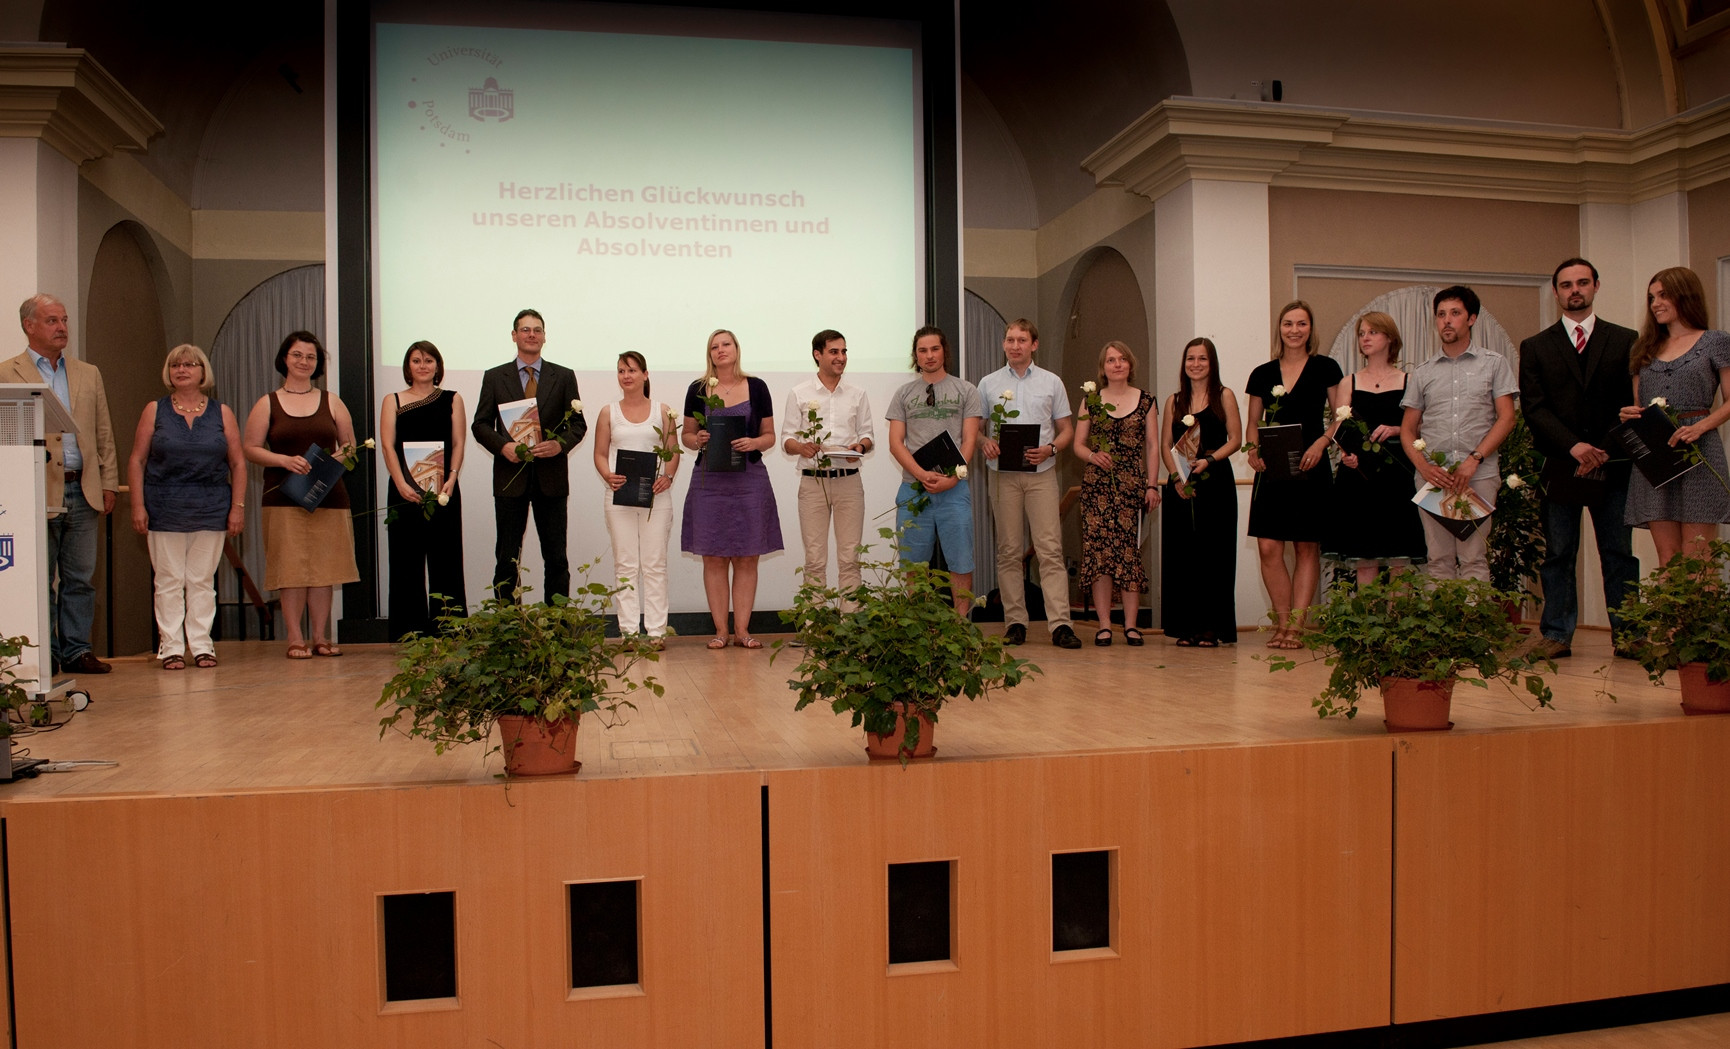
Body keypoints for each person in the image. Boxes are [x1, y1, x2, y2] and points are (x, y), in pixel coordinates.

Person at [1519, 259, 1638, 660]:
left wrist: (1601, 449)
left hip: (1612, 462)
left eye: (1582, 282)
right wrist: (1575, 447)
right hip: (1560, 463)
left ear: (1596, 286)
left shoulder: (1626, 340)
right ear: (1555, 292)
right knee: (1558, 553)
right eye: (1567, 284)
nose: (1575, 290)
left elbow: (1632, 403)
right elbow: (1535, 408)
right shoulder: (1536, 346)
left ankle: (1630, 634)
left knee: (1619, 553)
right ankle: (1556, 634)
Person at [0, 294, 118, 675]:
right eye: (52, 320)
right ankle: (46, 653)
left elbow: (103, 433)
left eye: (64, 320)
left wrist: (109, 482)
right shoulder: (7, 372)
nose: (62, 327)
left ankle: (77, 650)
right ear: (29, 326)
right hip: (36, 491)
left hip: (82, 487)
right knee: (40, 577)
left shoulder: (88, 372)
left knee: (80, 577)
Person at [242, 331, 361, 658]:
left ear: (317, 363)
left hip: (328, 497)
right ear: (285, 358)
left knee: (324, 570)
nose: (303, 361)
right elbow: (250, 448)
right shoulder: (267, 403)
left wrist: (328, 463)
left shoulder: (332, 401)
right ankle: (295, 638)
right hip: (283, 498)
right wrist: (284, 461)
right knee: (290, 569)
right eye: (297, 355)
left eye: (310, 357)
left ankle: (320, 637)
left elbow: (350, 447)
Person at [126, 345, 246, 669]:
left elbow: (238, 463)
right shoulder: (154, 410)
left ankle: (202, 645)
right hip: (164, 507)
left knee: (201, 581)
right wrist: (137, 505)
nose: (182, 370)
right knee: (168, 580)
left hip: (211, 507)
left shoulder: (222, 412)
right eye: (175, 365)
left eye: (190, 364)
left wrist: (237, 507)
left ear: (203, 371)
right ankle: (171, 647)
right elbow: (137, 460)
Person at [1400, 286, 1518, 582]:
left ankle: (1474, 614)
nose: (1447, 320)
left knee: (1473, 558)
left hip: (1478, 475)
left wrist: (1474, 459)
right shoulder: (1424, 372)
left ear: (1471, 318)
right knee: (1437, 559)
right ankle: (1442, 615)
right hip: (1433, 478)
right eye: (1441, 314)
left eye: (1455, 313)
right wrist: (1424, 467)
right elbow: (1407, 430)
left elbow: (1507, 418)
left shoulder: (1493, 363)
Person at [1245, 300, 1344, 650]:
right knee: (1268, 547)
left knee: (1305, 546)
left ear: (1310, 329)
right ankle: (1282, 622)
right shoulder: (1262, 373)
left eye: (1301, 324)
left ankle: (1296, 629)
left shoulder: (1326, 367)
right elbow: (1252, 422)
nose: (1294, 330)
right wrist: (1253, 449)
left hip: (1310, 465)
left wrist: (1322, 442)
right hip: (1272, 469)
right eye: (1288, 323)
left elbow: (1341, 415)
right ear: (1280, 328)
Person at [980, 319, 1082, 648]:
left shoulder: (1052, 382)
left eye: (1022, 340)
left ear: (1034, 345)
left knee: (1050, 550)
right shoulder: (988, 383)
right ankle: (1015, 623)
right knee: (1008, 551)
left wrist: (1052, 448)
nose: (1015, 346)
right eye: (1010, 340)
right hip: (1002, 475)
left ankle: (1061, 625)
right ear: (1004, 344)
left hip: (1042, 475)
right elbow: (976, 429)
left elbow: (1066, 430)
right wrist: (984, 441)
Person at [1619, 266, 1730, 566]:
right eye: (1651, 297)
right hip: (1656, 453)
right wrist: (1629, 414)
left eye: (1663, 295)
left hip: (1699, 450)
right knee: (1668, 557)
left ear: (1685, 295)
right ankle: (1669, 602)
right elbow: (1638, 404)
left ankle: (1700, 602)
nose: (1655, 303)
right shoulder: (1643, 347)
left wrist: (1701, 427)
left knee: (1698, 556)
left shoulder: (1715, 341)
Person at [680, 329, 782, 649]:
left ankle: (742, 631)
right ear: (709, 353)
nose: (721, 350)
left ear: (737, 349)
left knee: (747, 557)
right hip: (709, 481)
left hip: (749, 479)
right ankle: (721, 632)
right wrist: (697, 440)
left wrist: (754, 442)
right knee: (713, 557)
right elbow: (686, 436)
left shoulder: (757, 386)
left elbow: (769, 436)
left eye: (726, 344)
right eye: (714, 346)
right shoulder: (697, 389)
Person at [1323, 312, 1427, 585]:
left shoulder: (1409, 380)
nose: (1365, 338)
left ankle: (1397, 614)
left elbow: (1419, 427)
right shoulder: (1349, 382)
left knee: (1400, 559)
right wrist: (1346, 454)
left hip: (1397, 474)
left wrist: (1396, 429)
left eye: (1372, 332)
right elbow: (1340, 426)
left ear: (1390, 338)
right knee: (1364, 558)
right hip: (1360, 474)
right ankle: (1367, 614)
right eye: (1361, 333)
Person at [887, 325, 983, 615]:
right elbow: (895, 443)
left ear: (944, 352)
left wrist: (953, 478)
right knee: (914, 564)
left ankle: (960, 625)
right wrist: (921, 474)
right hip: (914, 489)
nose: (929, 355)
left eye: (934, 349)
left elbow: (969, 440)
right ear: (915, 356)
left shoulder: (966, 390)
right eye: (922, 350)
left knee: (960, 561)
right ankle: (918, 624)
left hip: (954, 490)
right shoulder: (903, 393)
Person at [378, 340, 468, 640]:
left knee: (446, 559)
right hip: (404, 491)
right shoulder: (392, 400)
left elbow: (458, 443)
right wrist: (400, 483)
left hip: (444, 489)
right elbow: (388, 446)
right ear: (408, 366)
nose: (423, 366)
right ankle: (409, 630)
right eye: (416, 360)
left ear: (438, 366)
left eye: (429, 360)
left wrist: (452, 478)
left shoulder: (452, 399)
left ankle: (449, 628)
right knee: (406, 559)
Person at [1071, 340, 1158, 647]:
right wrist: (1093, 456)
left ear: (1130, 364)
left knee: (1129, 555)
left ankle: (1131, 626)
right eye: (1111, 360)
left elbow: (1153, 446)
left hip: (1132, 489)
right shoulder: (1091, 401)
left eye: (1122, 359)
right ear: (1103, 367)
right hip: (1097, 489)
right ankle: (1105, 625)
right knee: (1100, 557)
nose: (1117, 364)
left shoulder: (1146, 401)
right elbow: (1078, 444)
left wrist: (1152, 485)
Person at [781, 329, 874, 607]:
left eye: (844, 352)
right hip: (813, 483)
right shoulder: (799, 393)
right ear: (817, 354)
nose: (841, 357)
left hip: (849, 482)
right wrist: (801, 447)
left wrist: (860, 447)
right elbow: (786, 439)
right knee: (814, 559)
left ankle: (851, 623)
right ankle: (816, 625)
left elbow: (867, 435)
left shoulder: (858, 394)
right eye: (834, 352)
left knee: (850, 558)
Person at [1159, 337, 1242, 646]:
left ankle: (1211, 628)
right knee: (1184, 556)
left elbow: (1236, 438)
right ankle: (1187, 626)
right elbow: (1166, 444)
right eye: (1190, 359)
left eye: (1202, 359)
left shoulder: (1224, 395)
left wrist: (1210, 460)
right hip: (1180, 483)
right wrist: (1175, 478)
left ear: (1212, 363)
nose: (1196, 364)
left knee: (1214, 554)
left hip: (1215, 480)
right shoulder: (1174, 401)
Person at [593, 351, 680, 647]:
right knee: (625, 565)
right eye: (621, 371)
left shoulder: (662, 411)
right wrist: (608, 475)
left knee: (655, 565)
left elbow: (673, 451)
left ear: (645, 374)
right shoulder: (608, 412)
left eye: (631, 370)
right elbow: (600, 453)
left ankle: (656, 632)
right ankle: (629, 633)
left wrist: (667, 476)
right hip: (619, 497)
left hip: (656, 497)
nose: (626, 376)